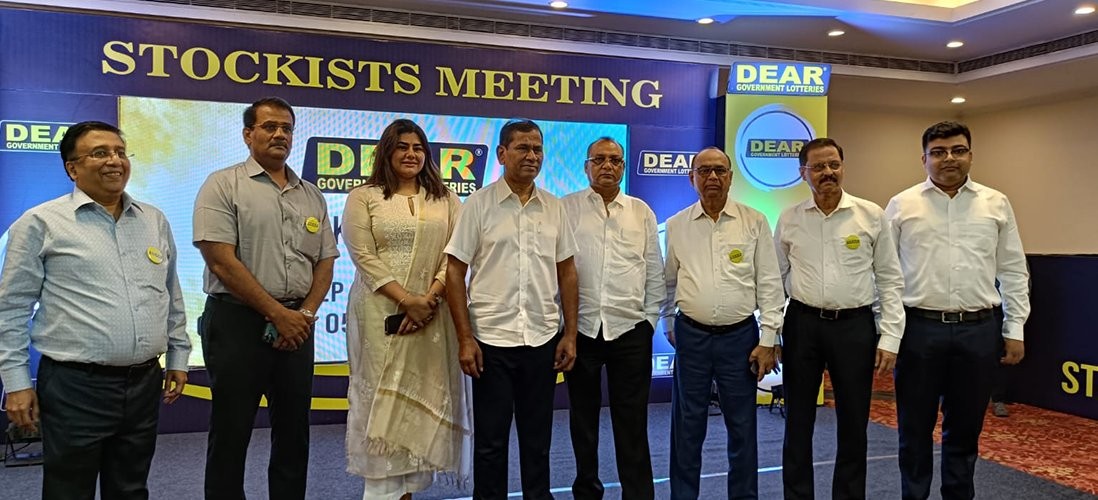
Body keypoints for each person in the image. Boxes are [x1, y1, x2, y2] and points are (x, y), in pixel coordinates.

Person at [0, 121, 191, 499]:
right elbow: (11, 308)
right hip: (75, 386)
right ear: (72, 168)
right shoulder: (40, 223)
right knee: (69, 490)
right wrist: (17, 383)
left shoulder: (153, 219)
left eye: (120, 152)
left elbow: (170, 293)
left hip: (143, 383)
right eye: (100, 153)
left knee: (131, 489)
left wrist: (178, 355)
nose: (114, 161)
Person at [193, 97, 338, 500]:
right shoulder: (223, 184)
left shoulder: (311, 194)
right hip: (237, 322)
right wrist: (277, 313)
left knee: (294, 432)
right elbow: (220, 260)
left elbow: (325, 260)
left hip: (298, 325)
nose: (279, 135)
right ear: (248, 134)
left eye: (286, 128)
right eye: (269, 126)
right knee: (231, 431)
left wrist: (303, 313)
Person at [885, 121, 1030, 500]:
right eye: (938, 152)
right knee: (913, 429)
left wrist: (1015, 328)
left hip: (979, 331)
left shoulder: (996, 203)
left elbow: (1013, 270)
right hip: (918, 330)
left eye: (958, 150)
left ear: (970, 155)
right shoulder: (901, 204)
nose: (949, 158)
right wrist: (887, 332)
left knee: (965, 431)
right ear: (924, 159)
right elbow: (884, 274)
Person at [444, 118, 579, 499]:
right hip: (491, 343)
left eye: (537, 149)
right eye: (523, 148)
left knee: (538, 443)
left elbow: (567, 272)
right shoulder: (478, 205)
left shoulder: (554, 207)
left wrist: (570, 334)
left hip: (541, 340)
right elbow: (454, 272)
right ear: (502, 154)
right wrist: (465, 338)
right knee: (491, 444)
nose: (532, 156)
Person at [341, 118, 472, 500]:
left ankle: (408, 492)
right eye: (402, 147)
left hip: (432, 316)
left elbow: (455, 255)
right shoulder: (364, 196)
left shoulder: (446, 199)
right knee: (381, 403)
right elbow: (363, 255)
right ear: (387, 151)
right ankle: (381, 492)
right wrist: (406, 300)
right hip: (379, 313)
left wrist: (428, 298)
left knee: (419, 405)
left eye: (417, 147)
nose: (411, 154)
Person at [773, 138, 905, 500]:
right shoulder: (789, 218)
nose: (828, 172)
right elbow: (775, 278)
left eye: (834, 165)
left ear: (843, 167)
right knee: (798, 421)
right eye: (818, 167)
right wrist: (771, 332)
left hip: (854, 327)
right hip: (802, 325)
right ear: (803, 173)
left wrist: (890, 337)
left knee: (854, 423)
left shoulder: (870, 214)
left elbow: (890, 279)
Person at [660, 146, 783, 499]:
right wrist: (669, 324)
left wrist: (768, 338)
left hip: (741, 339)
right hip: (691, 337)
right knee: (687, 427)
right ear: (691, 178)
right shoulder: (677, 224)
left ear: (731, 177)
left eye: (719, 170)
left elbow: (770, 283)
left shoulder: (754, 221)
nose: (712, 177)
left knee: (742, 427)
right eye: (704, 171)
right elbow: (668, 282)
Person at [562, 137, 664, 500]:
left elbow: (654, 271)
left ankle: (637, 495)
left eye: (615, 160)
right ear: (586, 166)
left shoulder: (641, 211)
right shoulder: (565, 208)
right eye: (599, 159)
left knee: (632, 422)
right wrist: (564, 327)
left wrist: (649, 322)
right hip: (581, 331)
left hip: (630, 331)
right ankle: (587, 492)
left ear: (623, 167)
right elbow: (556, 269)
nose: (607, 165)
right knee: (583, 421)